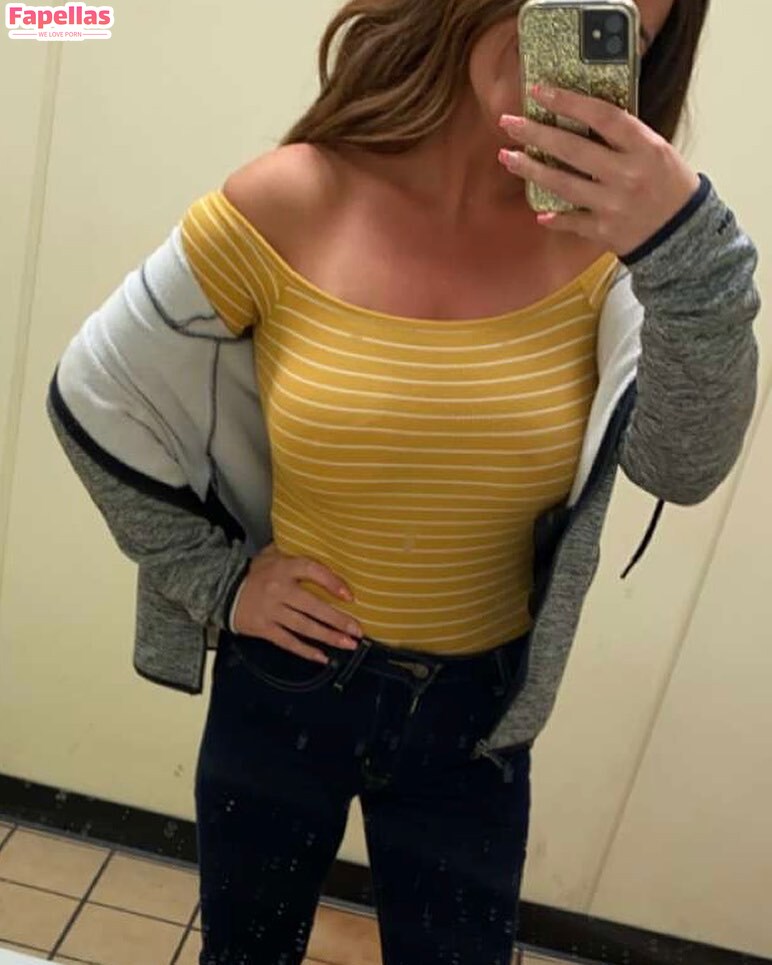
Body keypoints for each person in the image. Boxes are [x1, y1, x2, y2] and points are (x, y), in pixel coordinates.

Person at [46, 1, 760, 963]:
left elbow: (683, 464)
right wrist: (219, 583)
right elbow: (95, 396)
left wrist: (688, 242)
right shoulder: (294, 199)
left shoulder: (622, 252)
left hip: (475, 719)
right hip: (287, 684)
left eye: (625, 23)